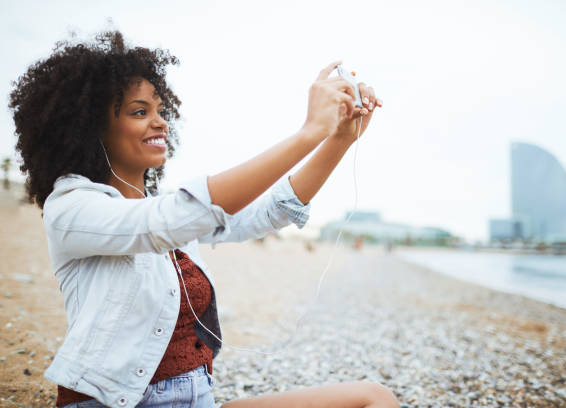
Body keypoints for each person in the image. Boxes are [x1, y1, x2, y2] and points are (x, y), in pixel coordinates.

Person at [9, 30, 398, 408]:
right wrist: (309, 132)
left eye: (161, 111)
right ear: (90, 128)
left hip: (199, 399)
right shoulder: (73, 207)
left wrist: (340, 138)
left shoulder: (163, 207)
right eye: (140, 112)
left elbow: (270, 211)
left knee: (373, 397)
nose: (160, 122)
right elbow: (167, 221)